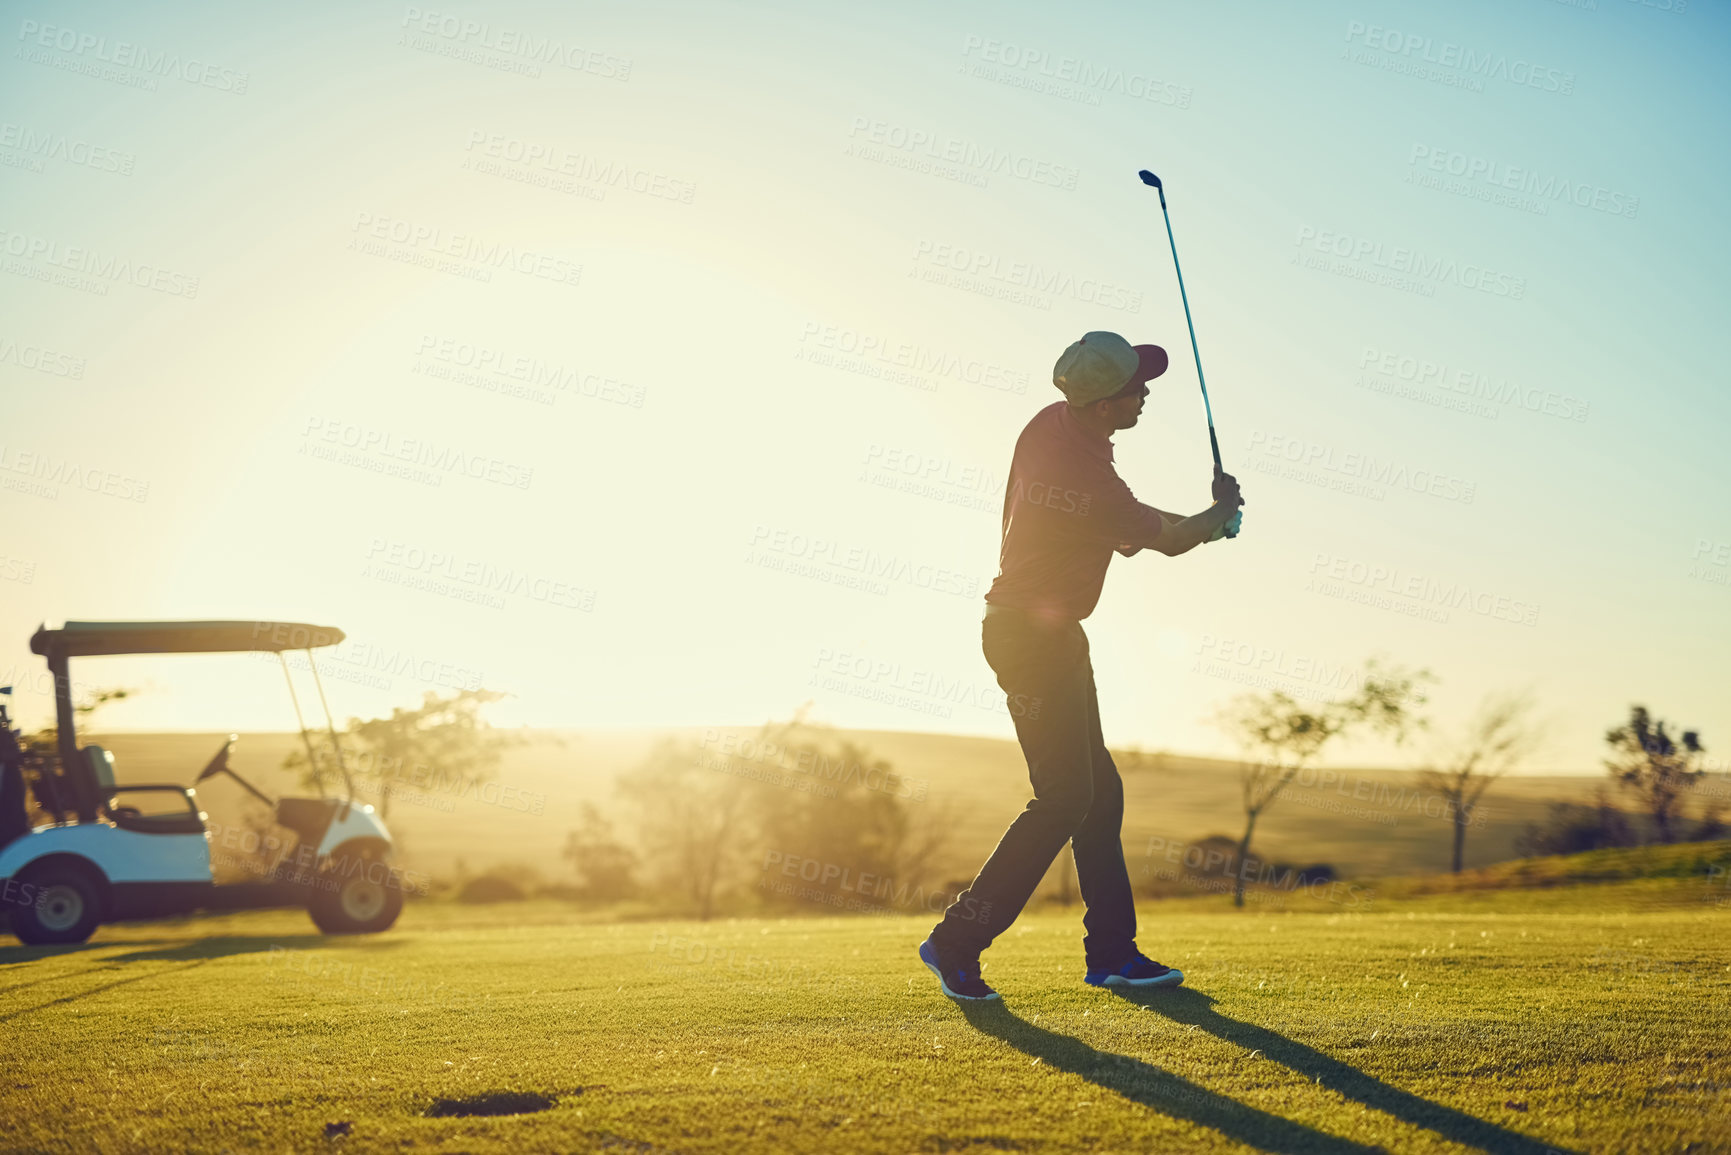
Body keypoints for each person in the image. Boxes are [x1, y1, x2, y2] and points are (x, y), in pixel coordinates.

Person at [918, 331, 1244, 1001]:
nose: (1145, 392)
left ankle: (1113, 954)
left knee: (1100, 793)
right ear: (1102, 405)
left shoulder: (1054, 425)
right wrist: (1221, 513)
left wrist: (1208, 515)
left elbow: (1130, 529)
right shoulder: (1084, 477)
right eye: (1134, 387)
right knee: (1064, 798)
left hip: (1050, 634)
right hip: (1028, 638)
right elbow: (1167, 539)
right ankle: (955, 940)